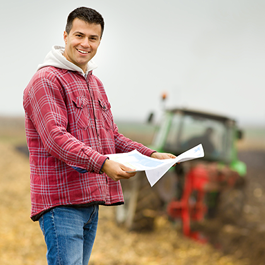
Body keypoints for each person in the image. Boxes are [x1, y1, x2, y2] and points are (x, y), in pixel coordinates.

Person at [23, 7, 175, 265]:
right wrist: (103, 164)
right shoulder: (46, 80)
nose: (85, 43)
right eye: (79, 35)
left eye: (93, 38)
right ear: (65, 35)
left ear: (99, 42)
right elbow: (55, 138)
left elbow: (110, 136)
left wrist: (151, 154)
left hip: (89, 201)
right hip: (61, 202)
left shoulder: (95, 84)